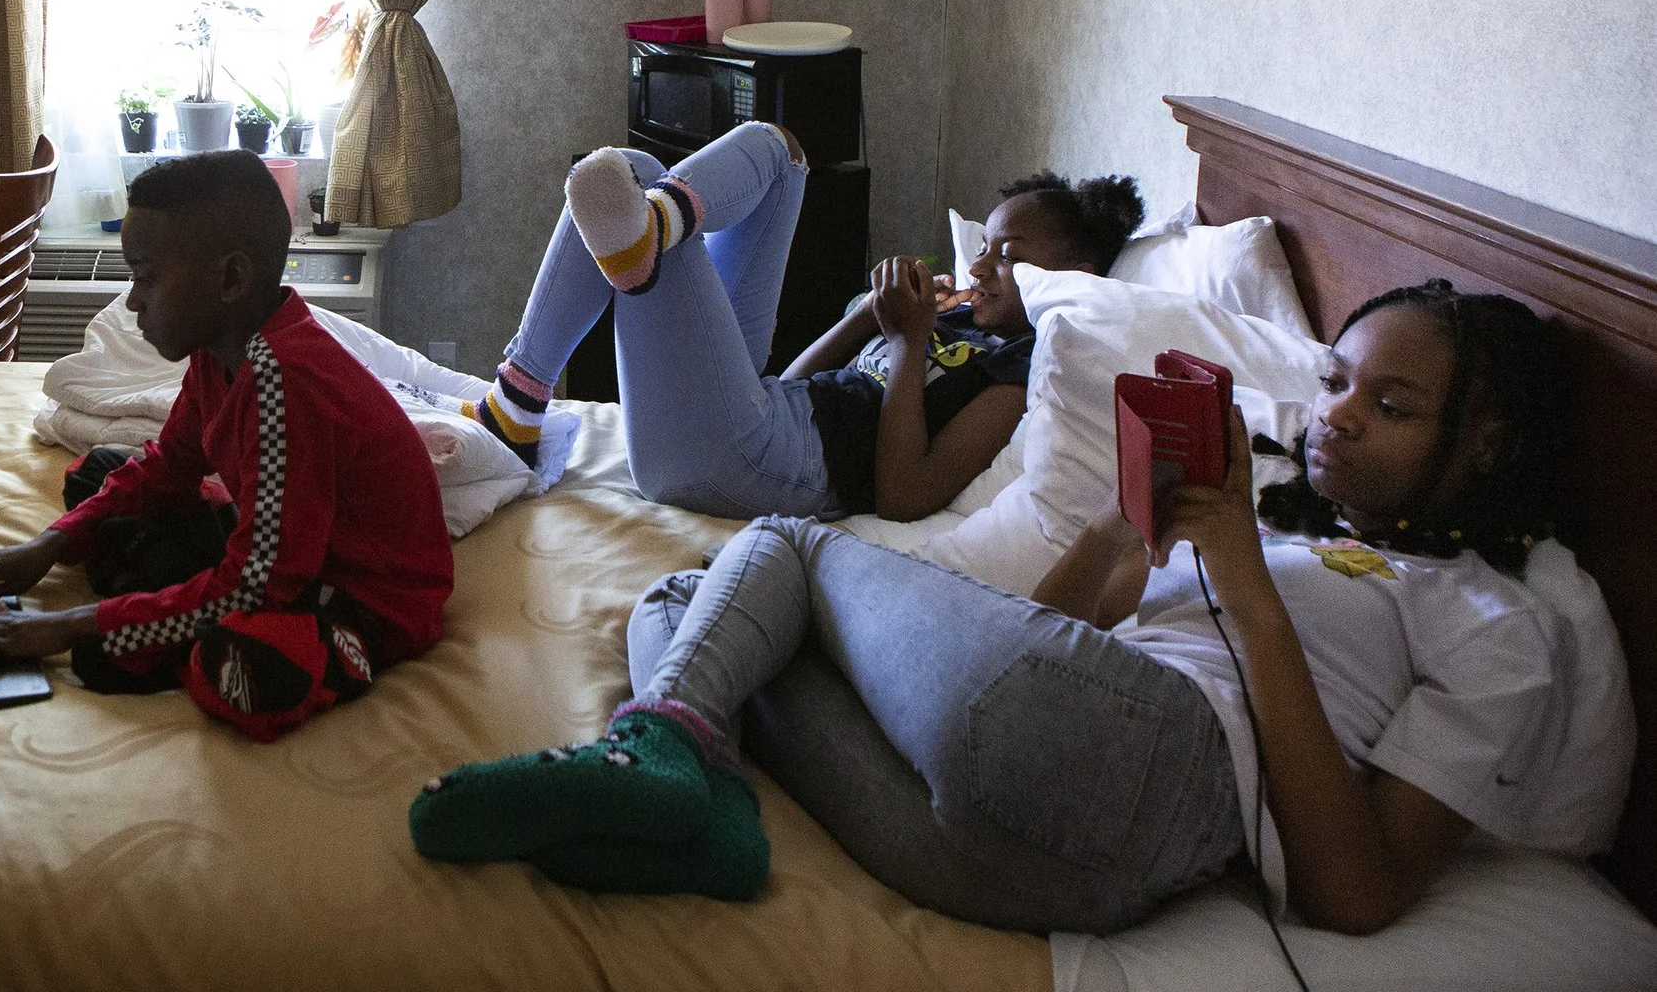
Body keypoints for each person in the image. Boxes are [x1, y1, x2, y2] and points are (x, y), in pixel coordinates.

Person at [409, 282, 1578, 938]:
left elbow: (1356, 893)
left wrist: (1248, 586)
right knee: (685, 599)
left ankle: (656, 753)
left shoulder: (1493, 623)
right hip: (1048, 849)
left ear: (1484, 447)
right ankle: (694, 801)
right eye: (1334, 380)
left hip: (1162, 776)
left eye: (1393, 404)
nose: (1338, 416)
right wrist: (1130, 526)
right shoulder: (1266, 518)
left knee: (783, 549)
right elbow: (1051, 643)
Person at [0, 151, 454, 742]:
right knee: (100, 474)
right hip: (286, 554)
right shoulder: (218, 350)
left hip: (359, 599)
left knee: (225, 667)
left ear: (230, 279)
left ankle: (166, 626)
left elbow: (258, 585)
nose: (133, 301)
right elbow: (169, 465)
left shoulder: (283, 384)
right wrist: (48, 546)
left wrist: (71, 627)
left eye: (147, 277)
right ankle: (153, 611)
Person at [466, 121, 1142, 520]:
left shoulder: (1017, 371)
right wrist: (870, 322)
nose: (983, 265)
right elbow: (790, 384)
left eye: (1009, 255)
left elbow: (906, 495)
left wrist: (909, 344)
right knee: (741, 158)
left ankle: (523, 395)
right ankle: (526, 393)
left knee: (655, 187)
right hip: (759, 420)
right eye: (986, 247)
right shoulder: (958, 324)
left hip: (741, 464)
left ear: (1074, 275)